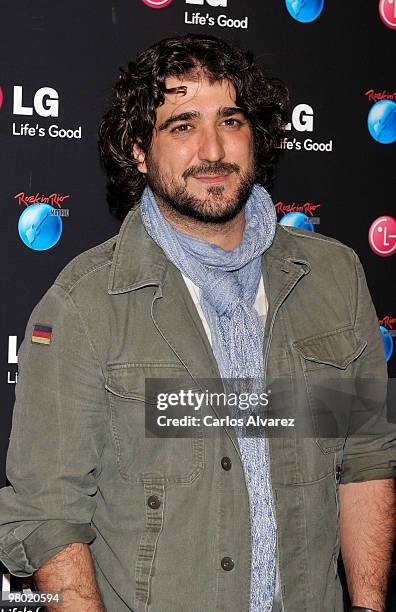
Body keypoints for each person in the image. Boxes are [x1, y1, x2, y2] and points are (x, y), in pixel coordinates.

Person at [0, 33, 395, 612]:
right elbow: (48, 518)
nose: (213, 149)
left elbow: (365, 459)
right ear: (139, 150)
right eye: (182, 126)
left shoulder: (333, 277)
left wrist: (366, 605)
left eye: (230, 121)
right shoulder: (85, 306)